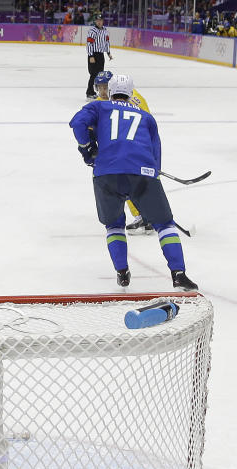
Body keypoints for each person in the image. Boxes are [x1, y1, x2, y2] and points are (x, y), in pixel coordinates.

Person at [69, 74, 198, 291]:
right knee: (165, 225)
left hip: (106, 173)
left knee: (114, 225)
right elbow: (156, 152)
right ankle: (179, 274)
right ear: (131, 94)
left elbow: (78, 123)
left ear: (109, 91)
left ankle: (122, 273)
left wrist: (87, 148)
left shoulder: (99, 107)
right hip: (143, 174)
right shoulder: (147, 117)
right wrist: (152, 175)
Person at [91, 70, 154, 235]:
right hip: (116, 151)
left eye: (106, 88)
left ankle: (144, 214)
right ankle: (145, 214)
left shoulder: (134, 99)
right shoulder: (100, 103)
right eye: (100, 88)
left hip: (135, 148)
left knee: (131, 183)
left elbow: (146, 122)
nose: (103, 92)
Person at [85, 14, 113, 99]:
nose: (99, 22)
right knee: (93, 74)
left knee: (100, 75)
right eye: (98, 20)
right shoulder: (92, 31)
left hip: (101, 55)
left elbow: (107, 42)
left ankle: (98, 92)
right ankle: (89, 93)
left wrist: (108, 53)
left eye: (101, 20)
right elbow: (89, 44)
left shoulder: (105, 30)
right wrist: (91, 56)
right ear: (95, 21)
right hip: (94, 55)